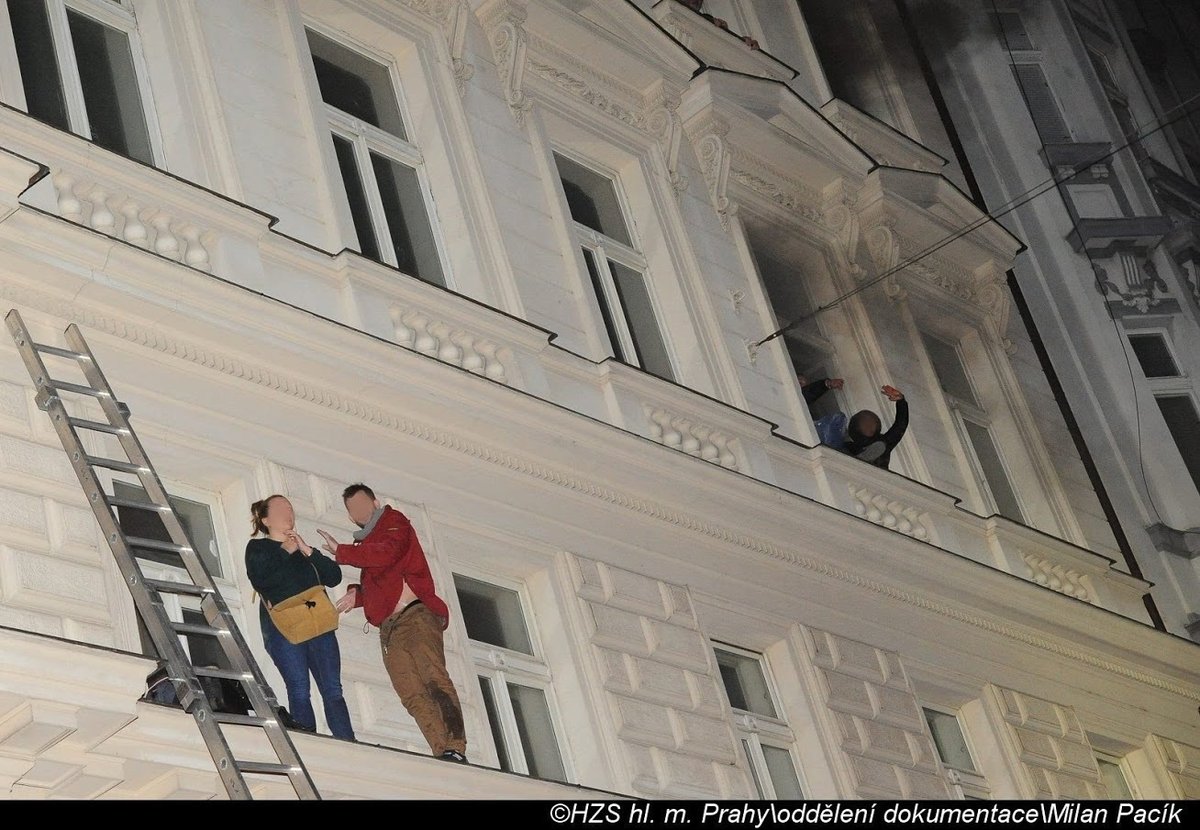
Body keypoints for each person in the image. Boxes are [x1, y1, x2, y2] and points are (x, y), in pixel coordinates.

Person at [317, 484, 467, 763]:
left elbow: (388, 553)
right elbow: (384, 579)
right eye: (353, 509)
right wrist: (358, 595)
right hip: (390, 629)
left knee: (434, 679)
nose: (359, 511)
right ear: (351, 517)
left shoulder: (394, 521)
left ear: (375, 502)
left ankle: (456, 747)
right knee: (410, 692)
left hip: (416, 617)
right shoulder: (368, 544)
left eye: (362, 503)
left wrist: (342, 552)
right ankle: (442, 752)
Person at [245, 495, 355, 740]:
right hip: (283, 629)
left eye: (290, 508)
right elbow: (262, 580)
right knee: (299, 689)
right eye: (281, 508)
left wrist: (307, 550)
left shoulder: (304, 550)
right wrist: (286, 549)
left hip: (318, 625)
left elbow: (333, 576)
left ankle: (349, 743)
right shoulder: (258, 549)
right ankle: (308, 743)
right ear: (265, 519)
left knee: (333, 690)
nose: (289, 512)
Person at [842, 385, 909, 470]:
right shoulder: (847, 444)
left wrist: (901, 401)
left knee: (881, 445)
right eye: (865, 423)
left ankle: (862, 463)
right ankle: (859, 462)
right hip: (853, 474)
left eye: (872, 424)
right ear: (856, 426)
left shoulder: (884, 442)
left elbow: (900, 425)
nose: (869, 426)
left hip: (877, 478)